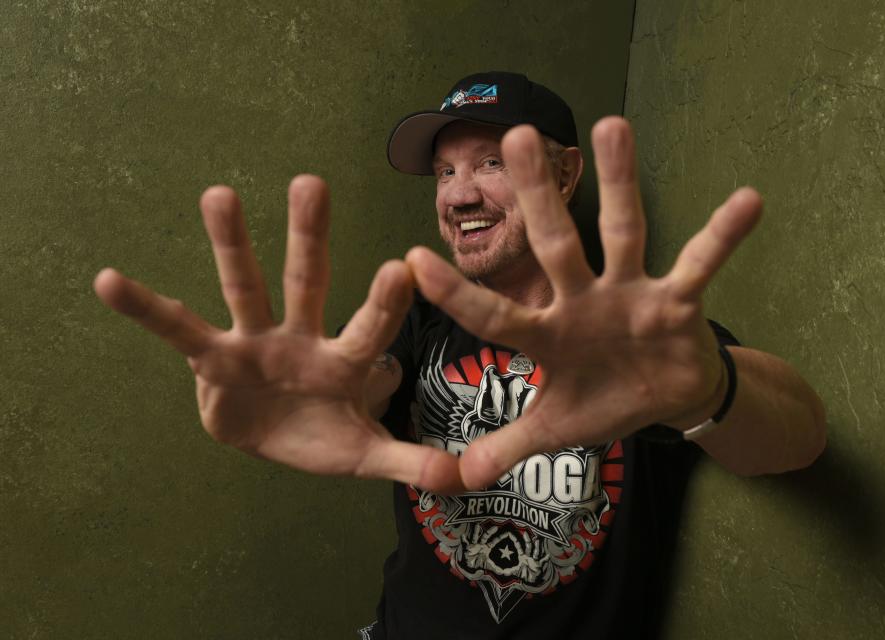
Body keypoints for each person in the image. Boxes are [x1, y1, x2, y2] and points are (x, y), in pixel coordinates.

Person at [94, 71, 826, 639]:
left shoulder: (636, 336)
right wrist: (322, 398)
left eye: (489, 162)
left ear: (566, 175)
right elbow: (371, 381)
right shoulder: (421, 316)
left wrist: (709, 388)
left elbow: (802, 436)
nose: (459, 194)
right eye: (444, 173)